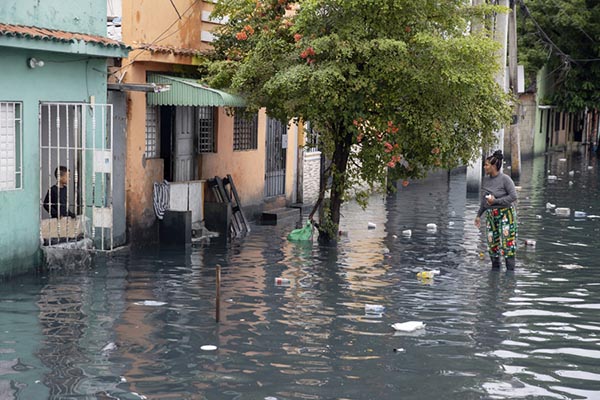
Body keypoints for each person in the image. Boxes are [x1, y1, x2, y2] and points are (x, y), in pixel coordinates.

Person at [474, 150, 518, 270]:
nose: (484, 167)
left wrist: (496, 201)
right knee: (492, 246)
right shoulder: (486, 180)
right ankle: (495, 273)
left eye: (486, 164)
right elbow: (485, 200)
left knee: (507, 246)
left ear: (493, 166)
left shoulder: (505, 179)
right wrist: (478, 215)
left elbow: (513, 197)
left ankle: (509, 278)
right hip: (491, 215)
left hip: (506, 215)